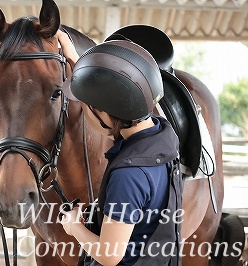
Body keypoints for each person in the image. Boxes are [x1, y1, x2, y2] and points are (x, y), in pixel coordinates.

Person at [56, 30, 183, 266]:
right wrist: (76, 59)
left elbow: (110, 255)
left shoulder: (128, 175)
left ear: (104, 112)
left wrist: (74, 227)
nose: (85, 112)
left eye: (87, 106)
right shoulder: (160, 137)